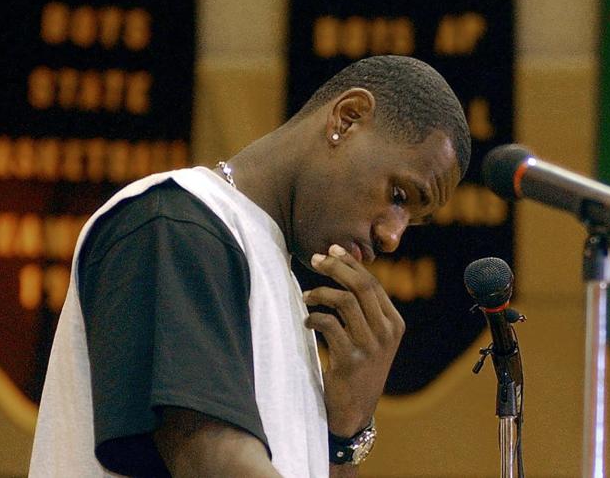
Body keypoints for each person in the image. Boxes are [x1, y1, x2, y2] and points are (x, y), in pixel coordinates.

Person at [29, 55, 472, 477]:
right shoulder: (176, 220)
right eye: (399, 197)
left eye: (411, 220)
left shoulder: (277, 275)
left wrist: (346, 432)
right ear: (347, 117)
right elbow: (211, 464)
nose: (393, 237)